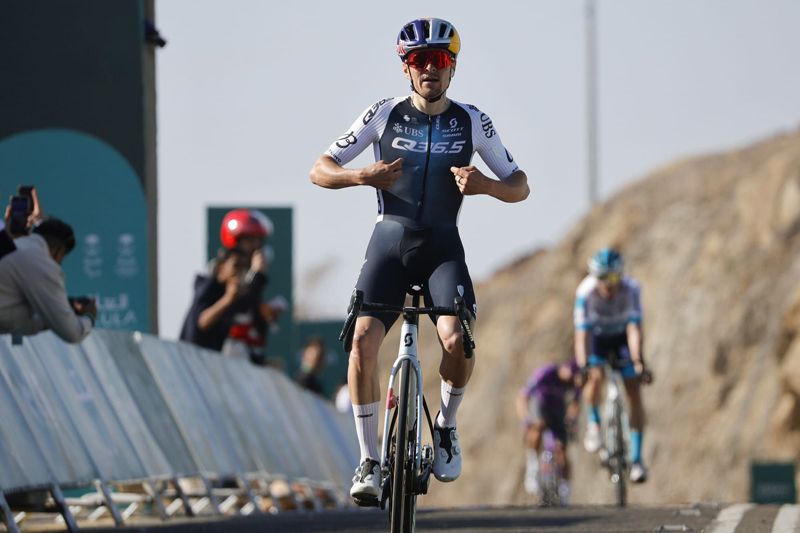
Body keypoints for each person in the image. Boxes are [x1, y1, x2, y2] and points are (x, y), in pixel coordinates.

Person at [309, 17, 529, 504]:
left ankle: (446, 428)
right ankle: (368, 460)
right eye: (419, 60)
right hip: (390, 243)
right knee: (363, 342)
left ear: (452, 67)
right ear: (406, 68)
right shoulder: (383, 113)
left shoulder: (472, 120)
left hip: (441, 249)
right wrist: (362, 175)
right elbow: (319, 170)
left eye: (439, 60)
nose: (430, 69)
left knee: (456, 340)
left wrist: (486, 185)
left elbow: (520, 185)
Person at [574, 247, 653, 483]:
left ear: (622, 275)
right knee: (595, 376)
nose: (608, 285)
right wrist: (583, 365)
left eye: (614, 277)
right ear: (593, 277)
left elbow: (634, 329)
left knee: (634, 391)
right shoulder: (585, 292)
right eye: (602, 278)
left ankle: (637, 459)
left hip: (621, 338)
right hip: (597, 338)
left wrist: (638, 361)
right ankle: (595, 424)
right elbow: (582, 336)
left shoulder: (632, 289)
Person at [180, 209, 286, 363]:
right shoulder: (214, 279)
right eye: (250, 241)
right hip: (195, 361)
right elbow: (201, 322)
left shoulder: (245, 280)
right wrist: (255, 277)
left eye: (258, 241)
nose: (255, 247)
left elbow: (244, 307)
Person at [0, 217, 96, 343]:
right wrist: (90, 317)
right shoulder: (41, 263)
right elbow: (73, 333)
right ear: (59, 251)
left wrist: (67, 306)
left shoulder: (18, 246)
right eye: (61, 259)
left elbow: (17, 323)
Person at [516, 360, 581, 504]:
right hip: (540, 405)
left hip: (558, 410)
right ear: (564, 367)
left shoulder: (574, 383)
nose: (571, 379)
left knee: (562, 448)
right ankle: (532, 464)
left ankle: (565, 489)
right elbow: (523, 395)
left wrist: (572, 420)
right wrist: (525, 418)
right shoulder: (547, 372)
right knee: (538, 425)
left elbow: (575, 404)